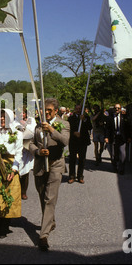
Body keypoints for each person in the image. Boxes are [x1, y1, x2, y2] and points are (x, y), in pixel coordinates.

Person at [29, 98, 70, 251]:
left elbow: (65, 140)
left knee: (49, 198)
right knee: (41, 195)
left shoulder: (64, 123)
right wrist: (38, 151)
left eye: (49, 111)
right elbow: (31, 144)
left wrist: (52, 130)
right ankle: (50, 221)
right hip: (40, 164)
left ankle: (43, 235)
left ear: (56, 111)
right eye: (44, 110)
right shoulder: (38, 125)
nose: (46, 113)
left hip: (56, 164)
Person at [0, 108, 23, 238]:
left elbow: (19, 153)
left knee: (7, 194)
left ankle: (4, 225)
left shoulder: (17, 134)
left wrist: (14, 169)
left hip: (9, 165)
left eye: (5, 117)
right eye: (1, 117)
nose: (2, 119)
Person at [15, 106, 36, 200]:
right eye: (19, 113)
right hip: (17, 148)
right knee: (16, 169)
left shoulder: (31, 120)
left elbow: (34, 132)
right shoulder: (14, 121)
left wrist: (25, 125)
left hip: (27, 148)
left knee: (25, 171)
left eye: (23, 112)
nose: (21, 114)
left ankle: (23, 192)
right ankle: (16, 190)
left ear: (25, 113)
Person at [68, 104, 92, 184]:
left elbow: (90, 127)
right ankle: (72, 176)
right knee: (72, 159)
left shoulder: (86, 118)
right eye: (77, 109)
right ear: (75, 109)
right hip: (73, 141)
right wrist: (74, 133)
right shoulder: (71, 118)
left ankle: (80, 176)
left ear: (82, 109)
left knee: (82, 159)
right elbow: (68, 129)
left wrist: (84, 120)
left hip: (82, 141)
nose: (78, 110)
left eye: (80, 109)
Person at [105, 103, 131, 175]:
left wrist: (129, 137)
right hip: (113, 138)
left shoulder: (124, 117)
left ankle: (122, 169)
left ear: (120, 109)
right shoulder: (109, 118)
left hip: (122, 138)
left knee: (123, 155)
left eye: (118, 108)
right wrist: (106, 137)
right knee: (113, 155)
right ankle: (115, 167)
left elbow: (128, 128)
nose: (117, 110)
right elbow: (107, 128)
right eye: (115, 108)